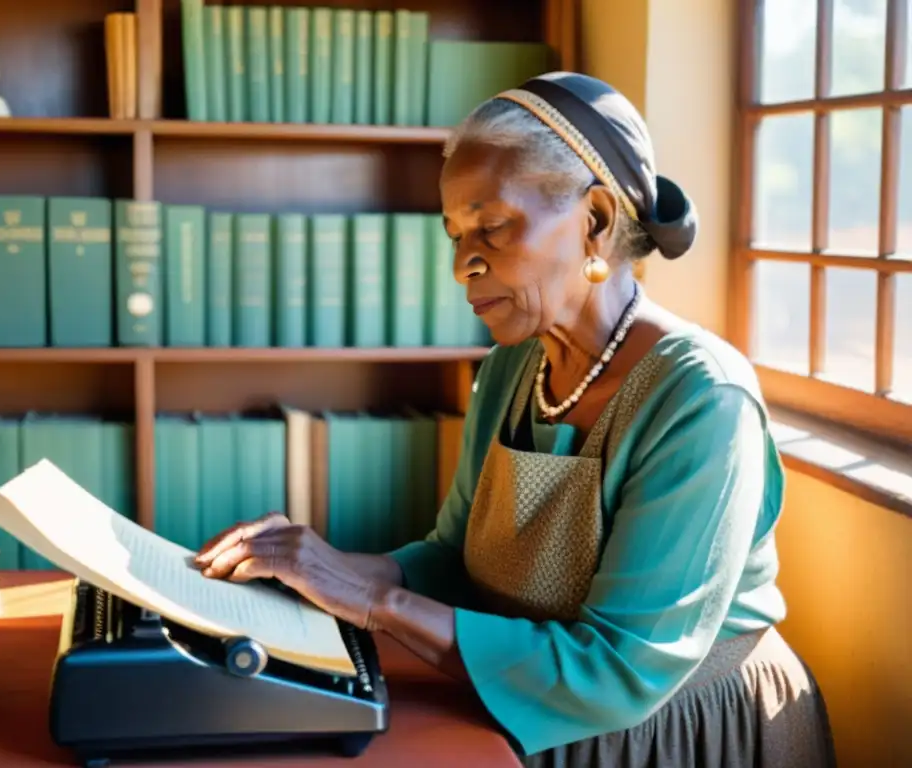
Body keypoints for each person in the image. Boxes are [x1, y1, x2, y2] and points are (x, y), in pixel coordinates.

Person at [195, 72, 836, 767]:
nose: (464, 263)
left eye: (493, 227)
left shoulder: (701, 399)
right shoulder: (510, 367)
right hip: (525, 712)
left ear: (594, 220)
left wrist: (374, 602)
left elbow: (618, 672)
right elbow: (452, 558)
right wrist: (314, 567)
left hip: (670, 736)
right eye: (455, 235)